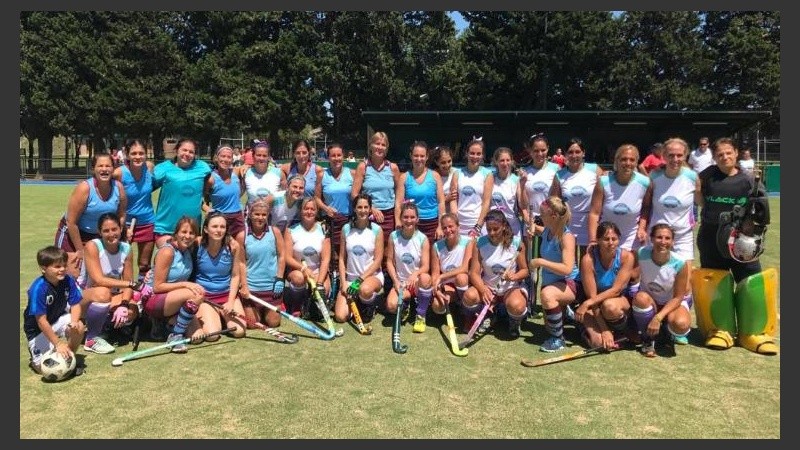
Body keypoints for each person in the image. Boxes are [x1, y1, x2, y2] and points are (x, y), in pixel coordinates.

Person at [693, 137, 776, 355]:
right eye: (720, 154)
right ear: (714, 157)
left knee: (750, 280)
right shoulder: (707, 176)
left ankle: (754, 331)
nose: (725, 157)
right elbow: (699, 197)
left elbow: (761, 211)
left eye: (728, 153)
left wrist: (750, 227)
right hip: (711, 237)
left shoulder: (749, 180)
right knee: (716, 281)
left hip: (742, 239)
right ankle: (721, 330)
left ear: (736, 153)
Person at [76, 213, 142, 355]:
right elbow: (98, 280)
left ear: (120, 229)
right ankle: (91, 339)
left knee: (132, 310)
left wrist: (124, 305)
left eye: (114, 229)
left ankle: (105, 327)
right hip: (83, 298)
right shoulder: (92, 246)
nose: (111, 234)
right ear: (99, 232)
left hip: (110, 297)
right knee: (103, 292)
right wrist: (130, 284)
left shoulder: (127, 249)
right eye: (106, 231)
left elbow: (128, 285)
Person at [55, 152, 128, 277]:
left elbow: (121, 215)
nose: (104, 169)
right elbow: (71, 222)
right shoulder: (84, 188)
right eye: (100, 166)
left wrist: (120, 237)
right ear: (93, 169)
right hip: (73, 233)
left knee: (101, 273)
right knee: (74, 274)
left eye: (108, 166)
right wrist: (80, 250)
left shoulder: (119, 188)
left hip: (98, 235)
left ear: (113, 168)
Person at [646, 137, 702, 292]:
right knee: (655, 283)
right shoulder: (654, 176)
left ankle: (677, 314)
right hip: (657, 237)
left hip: (682, 237)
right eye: (671, 155)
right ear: (663, 155)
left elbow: (702, 202)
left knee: (684, 287)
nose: (675, 159)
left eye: (679, 155)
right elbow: (645, 205)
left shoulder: (692, 177)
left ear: (685, 156)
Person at [145, 216, 207, 353]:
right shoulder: (167, 251)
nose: (187, 236)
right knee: (195, 292)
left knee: (197, 337)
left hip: (175, 299)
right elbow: (158, 287)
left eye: (191, 233)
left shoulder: (188, 250)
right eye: (183, 232)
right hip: (154, 299)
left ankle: (168, 323)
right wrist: (186, 284)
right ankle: (175, 336)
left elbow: (210, 237)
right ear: (176, 233)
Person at [463, 209, 529, 338]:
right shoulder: (480, 243)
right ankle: (488, 315)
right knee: (469, 296)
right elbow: (474, 273)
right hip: (489, 288)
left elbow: (525, 271)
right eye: (488, 229)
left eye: (496, 229)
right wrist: (482, 290)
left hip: (511, 288)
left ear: (504, 226)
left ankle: (514, 322)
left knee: (516, 306)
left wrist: (514, 276)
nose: (492, 233)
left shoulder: (516, 243)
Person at [24, 246, 86, 376]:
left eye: (64, 265)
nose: (62, 269)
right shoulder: (38, 289)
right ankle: (47, 354)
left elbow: (75, 305)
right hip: (38, 330)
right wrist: (58, 343)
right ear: (43, 268)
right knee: (44, 370)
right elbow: (41, 321)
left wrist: (74, 322)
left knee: (79, 326)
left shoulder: (68, 280)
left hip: (57, 320)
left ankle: (68, 358)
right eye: (57, 267)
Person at [631, 224, 691, 357]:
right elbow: (632, 277)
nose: (663, 242)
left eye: (667, 238)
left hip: (671, 303)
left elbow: (678, 297)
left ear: (673, 241)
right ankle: (647, 339)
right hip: (649, 301)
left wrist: (658, 318)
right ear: (651, 239)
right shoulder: (641, 253)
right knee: (640, 298)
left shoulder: (680, 263)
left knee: (681, 325)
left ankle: (665, 334)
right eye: (659, 237)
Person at [574, 222, 635, 351]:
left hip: (618, 302)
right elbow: (593, 297)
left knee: (609, 306)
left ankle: (623, 332)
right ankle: (583, 328)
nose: (611, 243)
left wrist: (588, 302)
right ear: (598, 240)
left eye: (614, 239)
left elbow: (616, 290)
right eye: (606, 239)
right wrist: (604, 329)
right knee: (600, 345)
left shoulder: (626, 257)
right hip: (594, 308)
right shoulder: (588, 260)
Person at [530, 196, 580, 352]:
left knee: (546, 295)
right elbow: (537, 229)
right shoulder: (547, 231)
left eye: (542, 215)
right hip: (554, 283)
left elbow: (566, 268)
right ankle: (568, 315)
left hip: (569, 283)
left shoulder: (567, 237)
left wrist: (540, 262)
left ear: (553, 217)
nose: (540, 217)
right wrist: (531, 227)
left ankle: (558, 340)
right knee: (548, 325)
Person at [192, 211, 247, 340]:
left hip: (227, 295)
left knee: (239, 332)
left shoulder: (233, 246)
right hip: (206, 298)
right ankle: (215, 317)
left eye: (222, 227)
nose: (219, 230)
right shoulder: (197, 244)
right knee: (212, 336)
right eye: (214, 226)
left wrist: (230, 301)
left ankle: (221, 316)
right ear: (206, 229)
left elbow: (235, 276)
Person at [587, 144, 651, 251]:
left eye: (632, 160)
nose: (628, 163)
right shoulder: (603, 182)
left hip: (632, 239)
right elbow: (594, 213)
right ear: (616, 161)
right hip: (607, 238)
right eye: (623, 159)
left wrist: (642, 228)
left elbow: (646, 208)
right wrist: (593, 240)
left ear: (636, 162)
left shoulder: (645, 183)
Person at [152, 137, 212, 247]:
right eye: (184, 150)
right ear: (176, 151)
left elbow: (213, 180)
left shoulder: (203, 167)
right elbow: (144, 188)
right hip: (167, 228)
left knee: (191, 263)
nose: (187, 154)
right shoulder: (163, 168)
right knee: (169, 259)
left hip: (192, 231)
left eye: (191, 152)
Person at [335, 193, 385, 324]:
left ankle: (368, 306)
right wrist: (343, 283)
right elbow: (341, 258)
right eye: (359, 207)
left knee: (365, 290)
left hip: (370, 277)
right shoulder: (346, 229)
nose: (363, 210)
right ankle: (356, 300)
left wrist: (360, 280)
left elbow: (378, 260)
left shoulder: (377, 230)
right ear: (354, 209)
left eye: (366, 207)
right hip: (351, 279)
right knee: (340, 317)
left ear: (370, 209)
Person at [551, 137, 603, 259]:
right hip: (568, 224)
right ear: (565, 155)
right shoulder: (559, 175)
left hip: (590, 223)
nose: (574, 155)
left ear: (583, 153)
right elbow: (554, 201)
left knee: (588, 259)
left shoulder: (595, 170)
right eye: (570, 152)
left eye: (577, 152)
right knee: (569, 262)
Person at [385, 202, 433, 333]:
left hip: (416, 282)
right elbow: (389, 261)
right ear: (400, 218)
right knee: (391, 306)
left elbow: (426, 266)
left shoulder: (422, 239)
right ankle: (406, 307)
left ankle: (421, 315)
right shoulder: (393, 236)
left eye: (412, 217)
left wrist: (415, 274)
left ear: (417, 219)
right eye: (405, 217)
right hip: (401, 283)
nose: (409, 220)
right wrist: (395, 281)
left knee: (425, 278)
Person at [112, 139, 156, 281]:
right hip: (124, 223)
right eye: (134, 153)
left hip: (147, 222)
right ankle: (119, 291)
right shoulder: (119, 173)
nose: (138, 157)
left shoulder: (149, 167)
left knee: (144, 264)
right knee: (120, 262)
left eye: (141, 153)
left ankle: (141, 294)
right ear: (127, 154)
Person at [238, 200, 285, 328]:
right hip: (252, 288)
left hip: (272, 287)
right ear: (250, 215)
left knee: (273, 322)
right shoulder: (242, 236)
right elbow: (241, 263)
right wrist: (244, 286)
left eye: (264, 215)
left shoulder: (275, 232)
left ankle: (273, 308)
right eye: (257, 214)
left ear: (268, 216)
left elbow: (281, 256)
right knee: (253, 324)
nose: (260, 217)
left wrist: (280, 278)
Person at [283, 198, 332, 319]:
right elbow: (288, 258)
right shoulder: (291, 230)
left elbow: (326, 259)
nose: (309, 212)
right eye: (306, 209)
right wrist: (304, 269)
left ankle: (311, 303)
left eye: (312, 209)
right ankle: (297, 304)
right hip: (298, 270)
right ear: (301, 211)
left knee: (323, 290)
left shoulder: (323, 229)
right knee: (299, 279)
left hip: (317, 271)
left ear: (316, 212)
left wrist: (319, 283)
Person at [351, 131, 400, 245]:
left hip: (389, 216)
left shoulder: (393, 168)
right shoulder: (363, 167)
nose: (380, 147)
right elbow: (354, 194)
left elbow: (399, 194)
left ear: (386, 148)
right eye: (377, 144)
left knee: (388, 252)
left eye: (383, 145)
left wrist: (397, 217)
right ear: (371, 146)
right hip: (368, 216)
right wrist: (371, 208)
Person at [395, 140, 446, 244]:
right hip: (411, 223)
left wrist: (440, 226)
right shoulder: (404, 177)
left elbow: (441, 202)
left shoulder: (435, 176)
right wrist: (398, 221)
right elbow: (398, 203)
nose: (419, 159)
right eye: (416, 155)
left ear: (427, 157)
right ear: (411, 156)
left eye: (422, 156)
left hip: (432, 224)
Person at [430, 214, 475, 327]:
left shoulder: (468, 242)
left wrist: (442, 277)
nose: (448, 230)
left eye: (451, 226)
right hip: (448, 285)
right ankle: (455, 306)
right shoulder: (436, 246)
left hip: (466, 282)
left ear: (458, 227)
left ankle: (467, 314)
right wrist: (437, 289)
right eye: (444, 227)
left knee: (461, 277)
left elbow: (464, 268)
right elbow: (435, 274)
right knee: (437, 306)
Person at [315, 142, 354, 261]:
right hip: (330, 221)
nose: (336, 158)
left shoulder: (352, 173)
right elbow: (316, 198)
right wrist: (326, 209)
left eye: (339, 155)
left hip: (349, 221)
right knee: (332, 256)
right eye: (333, 155)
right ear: (328, 157)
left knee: (347, 254)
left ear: (343, 156)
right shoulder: (322, 175)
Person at [203, 144, 246, 247]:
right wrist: (208, 209)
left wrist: (244, 168)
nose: (225, 160)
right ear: (217, 158)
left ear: (232, 159)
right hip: (220, 219)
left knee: (239, 249)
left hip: (238, 218)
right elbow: (200, 199)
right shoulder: (211, 179)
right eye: (223, 156)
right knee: (223, 250)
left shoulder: (235, 173)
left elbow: (239, 192)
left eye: (229, 157)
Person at [454, 137, 494, 238]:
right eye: (472, 153)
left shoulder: (487, 174)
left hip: (478, 225)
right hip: (459, 224)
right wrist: (455, 222)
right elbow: (453, 200)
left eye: (478, 154)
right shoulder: (457, 174)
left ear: (482, 155)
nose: (475, 156)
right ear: (466, 154)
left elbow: (486, 202)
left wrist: (478, 226)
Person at [487, 146, 527, 239]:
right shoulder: (490, 179)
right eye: (502, 160)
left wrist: (523, 184)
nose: (505, 163)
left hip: (512, 227)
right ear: (496, 162)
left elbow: (522, 205)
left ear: (512, 161)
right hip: (494, 227)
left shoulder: (516, 180)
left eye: (508, 160)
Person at [239, 140, 286, 209]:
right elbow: (238, 195)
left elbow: (286, 194)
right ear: (253, 156)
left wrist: (274, 196)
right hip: (253, 217)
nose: (261, 158)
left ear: (269, 157)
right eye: (258, 155)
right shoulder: (246, 173)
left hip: (274, 217)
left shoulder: (279, 173)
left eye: (264, 156)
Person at [429, 145, 459, 215]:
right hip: (437, 216)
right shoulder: (431, 176)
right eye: (443, 162)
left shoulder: (458, 173)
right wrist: (446, 199)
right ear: (436, 162)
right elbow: (429, 201)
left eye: (449, 161)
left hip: (455, 216)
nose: (447, 165)